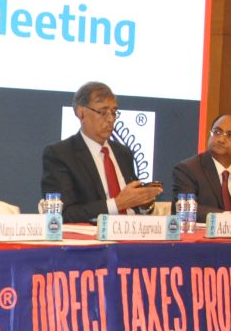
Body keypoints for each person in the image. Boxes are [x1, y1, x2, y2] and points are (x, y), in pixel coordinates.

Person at [40, 81, 161, 224]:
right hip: (95, 235)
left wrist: (144, 203)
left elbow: (134, 207)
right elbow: (64, 213)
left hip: (132, 231)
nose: (110, 119)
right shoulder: (61, 154)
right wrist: (117, 204)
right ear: (81, 113)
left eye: (114, 112)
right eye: (103, 112)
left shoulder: (123, 153)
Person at [171, 113, 231, 222]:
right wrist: (229, 216)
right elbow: (184, 209)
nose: (221, 139)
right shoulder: (187, 170)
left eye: (230, 135)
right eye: (217, 132)